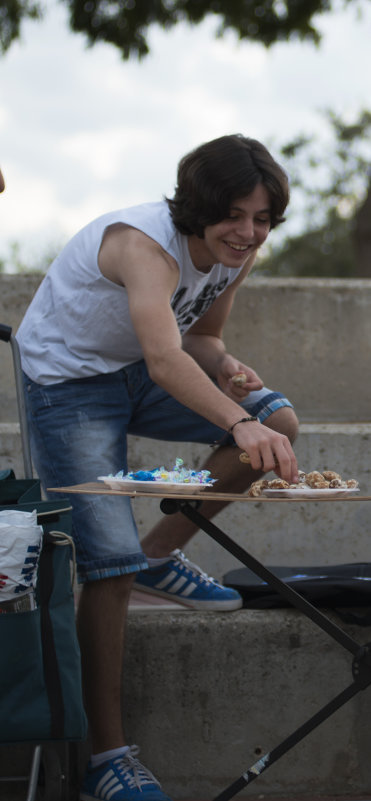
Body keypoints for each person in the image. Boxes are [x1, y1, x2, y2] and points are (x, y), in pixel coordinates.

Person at [15, 134, 301, 801]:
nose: (249, 231)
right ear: (199, 204)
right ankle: (105, 760)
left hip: (139, 370)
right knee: (105, 561)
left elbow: (198, 341)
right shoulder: (143, 243)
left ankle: (161, 553)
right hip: (69, 382)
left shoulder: (238, 254)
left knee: (279, 421)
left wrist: (229, 370)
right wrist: (237, 417)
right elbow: (167, 359)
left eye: (262, 219)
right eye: (235, 214)